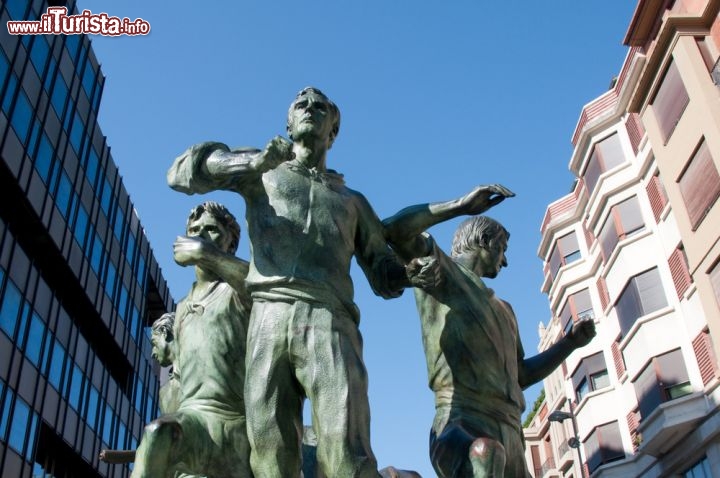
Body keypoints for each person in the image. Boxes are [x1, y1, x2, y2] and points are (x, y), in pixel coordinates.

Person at [168, 87, 424, 478]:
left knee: (346, 452)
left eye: (320, 108)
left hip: (330, 319)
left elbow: (383, 274)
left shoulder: (352, 201)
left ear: (332, 131)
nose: (309, 110)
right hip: (268, 318)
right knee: (270, 454)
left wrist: (411, 274)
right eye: (301, 105)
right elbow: (184, 172)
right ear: (288, 123)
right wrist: (251, 163)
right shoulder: (262, 171)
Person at [383, 185, 596, 478]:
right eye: (502, 249)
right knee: (484, 452)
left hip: (510, 429)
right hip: (462, 421)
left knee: (493, 452)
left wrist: (570, 343)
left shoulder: (505, 310)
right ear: (484, 241)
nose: (505, 261)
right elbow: (394, 231)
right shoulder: (442, 274)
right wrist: (460, 206)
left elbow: (520, 375)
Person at [131, 201, 252, 478]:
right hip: (191, 421)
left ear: (231, 245)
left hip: (232, 424)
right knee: (156, 434)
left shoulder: (235, 292)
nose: (200, 235)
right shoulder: (182, 307)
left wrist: (207, 255)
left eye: (212, 230)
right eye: (195, 230)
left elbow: (261, 284)